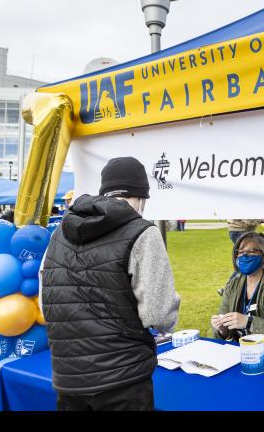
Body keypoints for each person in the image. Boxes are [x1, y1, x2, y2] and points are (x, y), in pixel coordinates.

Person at [40, 156, 181, 411]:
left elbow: (46, 303)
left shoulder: (59, 233)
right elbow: (159, 315)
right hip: (122, 379)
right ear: (142, 197)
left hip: (68, 377)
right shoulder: (142, 232)